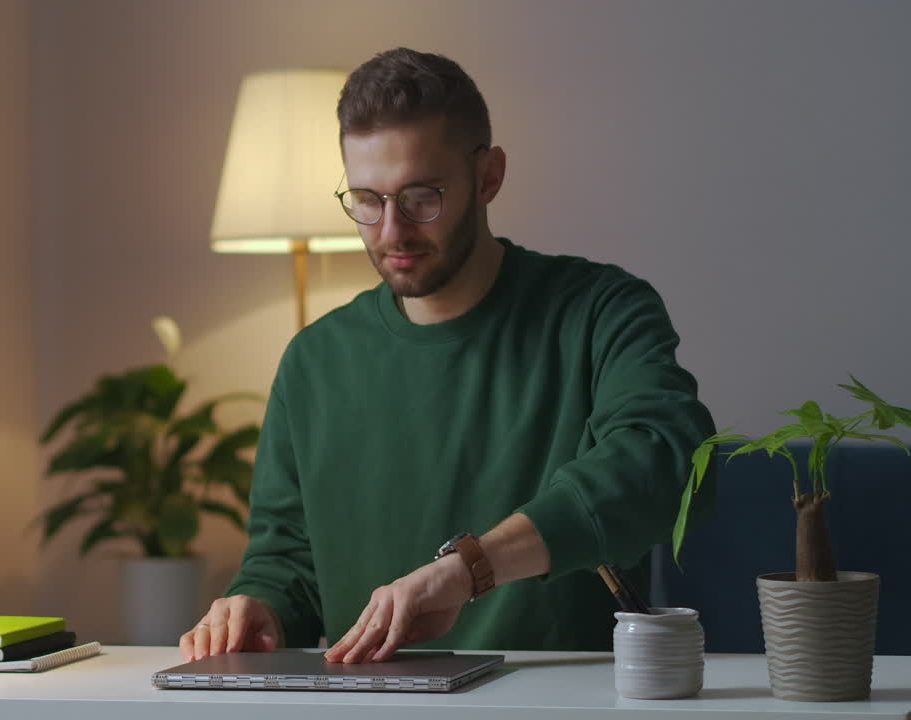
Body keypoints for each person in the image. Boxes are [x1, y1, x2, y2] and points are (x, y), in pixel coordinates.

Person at [179, 47, 715, 664]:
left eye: (420, 198)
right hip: (375, 705)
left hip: (564, 700)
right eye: (367, 200)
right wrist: (256, 607)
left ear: (488, 177)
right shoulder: (313, 363)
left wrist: (473, 567)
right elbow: (287, 564)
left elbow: (666, 461)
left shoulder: (602, 311)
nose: (391, 232)